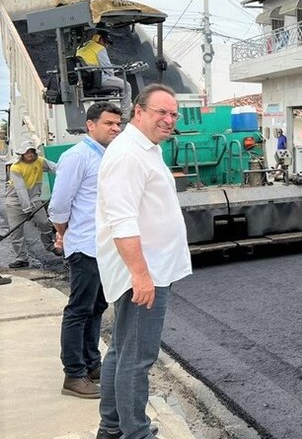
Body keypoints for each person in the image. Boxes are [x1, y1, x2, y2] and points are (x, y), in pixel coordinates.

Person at [95, 84, 192, 439]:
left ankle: (111, 428)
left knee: (122, 352)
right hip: (143, 273)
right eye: (160, 112)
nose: (169, 120)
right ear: (138, 112)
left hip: (150, 268)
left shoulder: (145, 148)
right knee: (137, 359)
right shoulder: (128, 154)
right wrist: (141, 275)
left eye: (173, 114)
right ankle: (135, 433)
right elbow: (122, 221)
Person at [49, 102, 122, 400]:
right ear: (91, 125)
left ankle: (93, 365)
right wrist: (63, 234)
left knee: (97, 308)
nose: (116, 128)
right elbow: (59, 204)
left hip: (104, 248)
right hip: (85, 247)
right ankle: (73, 373)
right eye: (109, 123)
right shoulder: (77, 157)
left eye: (118, 124)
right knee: (79, 310)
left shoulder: (107, 155)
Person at [4, 140, 61, 268]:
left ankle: (50, 246)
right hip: (15, 202)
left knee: (45, 223)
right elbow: (20, 190)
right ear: (22, 154)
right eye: (27, 152)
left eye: (32, 152)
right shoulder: (15, 167)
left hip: (34, 199)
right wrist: (27, 209)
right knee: (16, 232)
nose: (30, 155)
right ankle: (21, 258)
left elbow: (56, 168)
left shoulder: (40, 161)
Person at [77, 29, 132, 118]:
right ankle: (125, 116)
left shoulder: (82, 47)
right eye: (105, 43)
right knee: (126, 85)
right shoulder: (99, 48)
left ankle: (99, 113)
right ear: (101, 40)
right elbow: (108, 69)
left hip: (86, 80)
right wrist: (114, 75)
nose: (105, 45)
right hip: (98, 79)